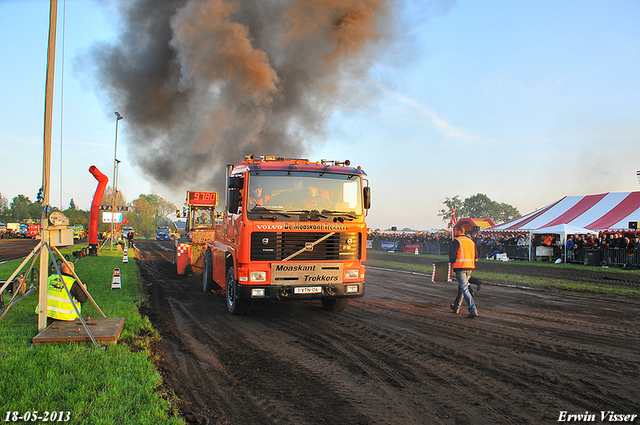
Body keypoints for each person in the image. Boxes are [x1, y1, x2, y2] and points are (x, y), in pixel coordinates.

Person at [449, 224, 479, 318]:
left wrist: (452, 262)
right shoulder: (471, 241)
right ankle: (456, 306)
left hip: (460, 267)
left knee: (464, 289)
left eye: (454, 231)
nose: (453, 233)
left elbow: (452, 256)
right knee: (461, 288)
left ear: (458, 231)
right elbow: (476, 255)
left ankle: (473, 310)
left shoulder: (456, 241)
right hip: (470, 267)